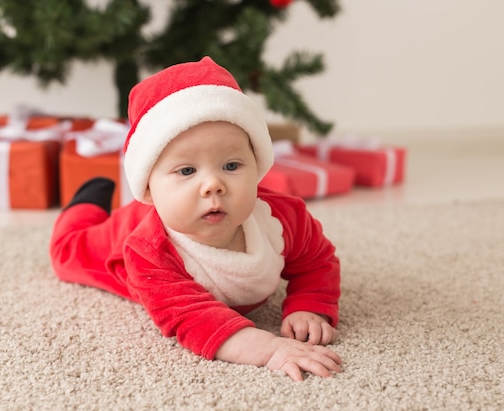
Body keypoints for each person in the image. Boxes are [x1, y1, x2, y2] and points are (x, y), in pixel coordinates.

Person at [49, 57, 342, 382]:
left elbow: (316, 261)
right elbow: (195, 319)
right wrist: (272, 349)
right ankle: (86, 200)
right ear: (148, 188)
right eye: (186, 170)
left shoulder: (284, 218)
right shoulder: (149, 252)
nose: (213, 184)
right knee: (67, 252)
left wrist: (308, 304)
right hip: (123, 235)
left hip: (165, 213)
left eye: (231, 166)